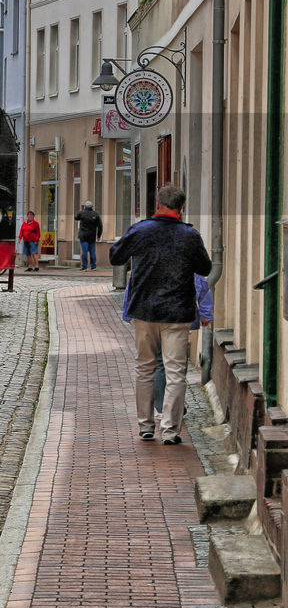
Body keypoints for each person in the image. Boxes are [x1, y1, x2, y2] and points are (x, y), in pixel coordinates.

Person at [109, 184, 212, 446]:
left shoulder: (140, 230)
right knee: (176, 372)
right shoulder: (189, 235)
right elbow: (205, 267)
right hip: (176, 313)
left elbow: (115, 256)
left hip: (144, 311)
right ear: (181, 207)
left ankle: (145, 426)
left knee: (144, 368)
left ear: (158, 204)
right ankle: (169, 430)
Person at [122, 273, 213, 416]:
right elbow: (201, 283)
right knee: (177, 363)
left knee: (160, 363)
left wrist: (128, 312)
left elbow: (134, 283)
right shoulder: (186, 256)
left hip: (152, 317)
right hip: (178, 318)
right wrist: (205, 313)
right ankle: (174, 406)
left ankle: (162, 406)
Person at [74, 200, 103, 270]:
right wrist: (99, 236)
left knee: (84, 251)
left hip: (83, 236)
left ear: (85, 206)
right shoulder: (96, 214)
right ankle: (93, 266)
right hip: (92, 236)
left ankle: (84, 267)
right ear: (92, 207)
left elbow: (76, 217)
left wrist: (80, 211)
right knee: (92, 251)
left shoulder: (81, 213)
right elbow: (100, 226)